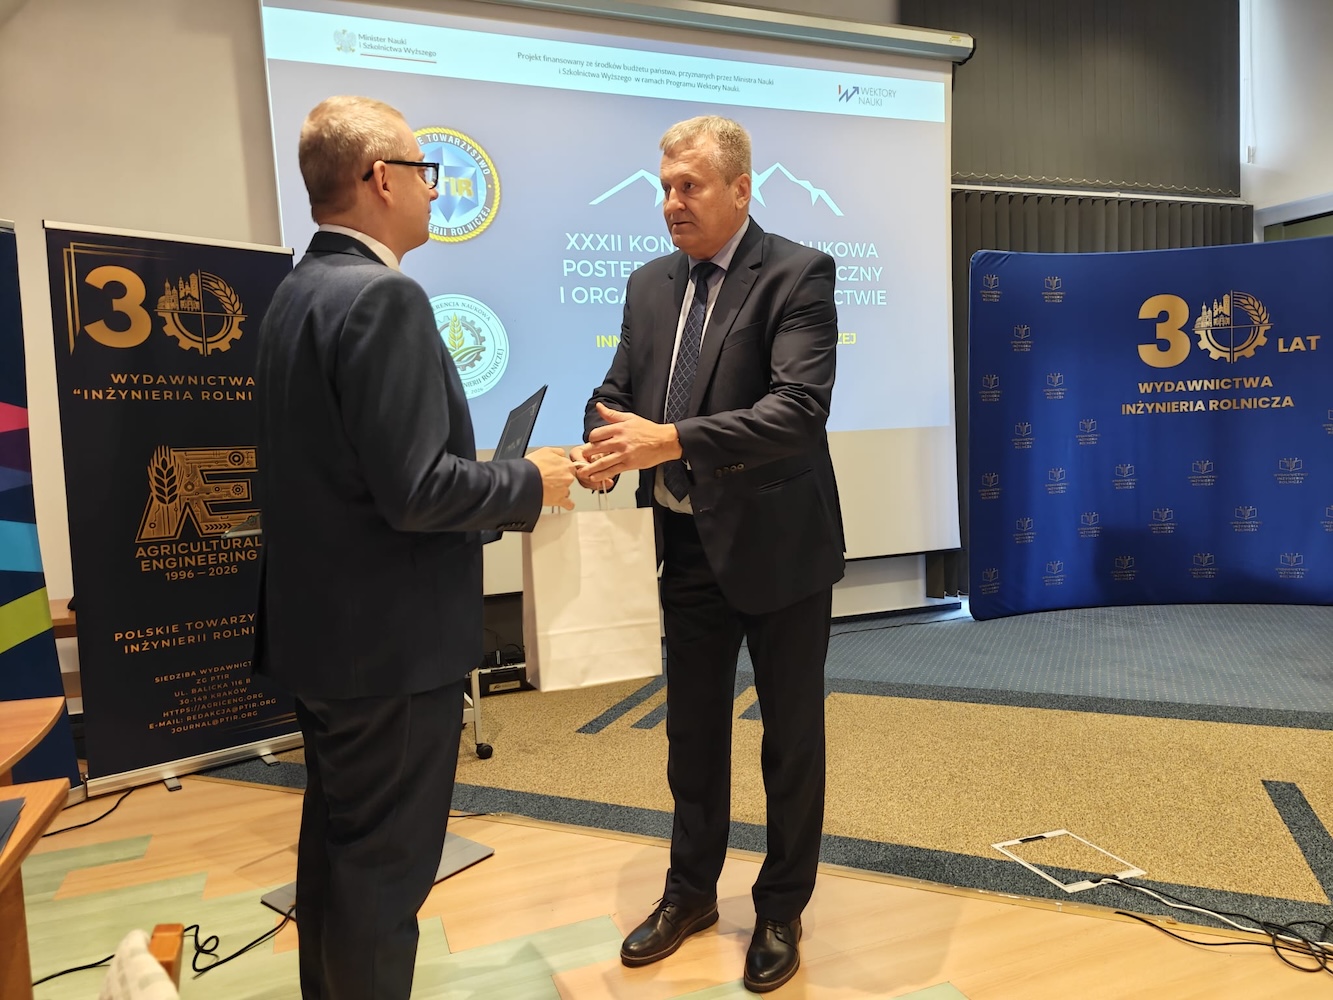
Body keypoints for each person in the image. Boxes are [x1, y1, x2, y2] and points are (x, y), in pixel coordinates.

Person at [253, 95, 575, 1000]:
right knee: (383, 878)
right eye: (425, 171)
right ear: (379, 179)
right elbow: (418, 492)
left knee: (339, 855)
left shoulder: (297, 293)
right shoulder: (384, 296)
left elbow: (358, 475)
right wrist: (529, 482)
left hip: (328, 639)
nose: (436, 190)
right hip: (388, 651)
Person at [573, 115, 844, 993]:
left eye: (688, 186)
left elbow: (796, 410)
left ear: (738, 189)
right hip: (684, 544)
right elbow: (615, 392)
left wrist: (670, 440)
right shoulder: (649, 284)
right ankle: (689, 893)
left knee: (789, 740)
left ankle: (780, 908)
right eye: (664, 187)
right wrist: (602, 444)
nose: (670, 203)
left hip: (780, 549)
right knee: (690, 734)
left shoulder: (797, 273)